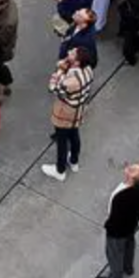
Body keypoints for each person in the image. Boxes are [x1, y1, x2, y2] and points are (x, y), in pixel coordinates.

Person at [41, 48, 93, 182]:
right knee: (74, 134)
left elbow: (52, 87)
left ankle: (60, 170)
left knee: (62, 140)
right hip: (78, 110)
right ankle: (74, 161)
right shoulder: (88, 70)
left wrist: (59, 71)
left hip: (65, 112)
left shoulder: (70, 81)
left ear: (76, 62)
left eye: (72, 53)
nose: (69, 51)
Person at [100, 163, 139, 278]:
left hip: (117, 231)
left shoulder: (121, 197)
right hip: (130, 226)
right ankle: (128, 267)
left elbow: (114, 217)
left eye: (131, 170)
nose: (127, 169)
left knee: (114, 256)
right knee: (129, 245)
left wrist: (109, 227)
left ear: (132, 180)